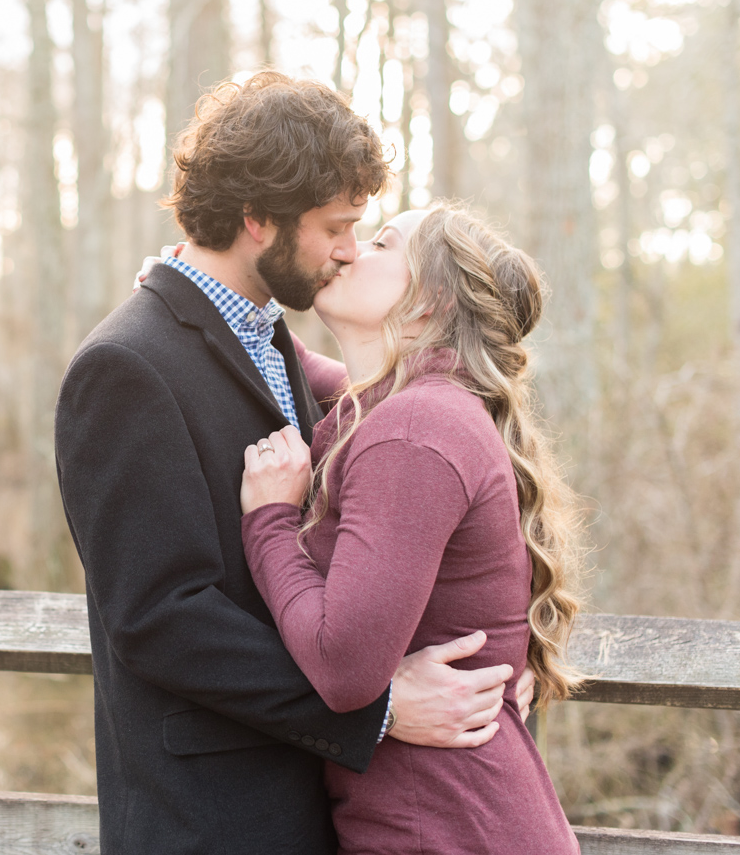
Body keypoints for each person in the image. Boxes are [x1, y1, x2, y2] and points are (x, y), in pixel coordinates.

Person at [54, 72, 530, 855]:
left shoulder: (271, 339)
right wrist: (375, 710)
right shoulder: (127, 367)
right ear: (258, 219)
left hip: (321, 805)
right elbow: (158, 616)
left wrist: (513, 644)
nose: (347, 250)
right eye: (337, 227)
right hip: (216, 819)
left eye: (364, 231)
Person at [240, 202, 585, 854]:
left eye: (379, 243)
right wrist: (223, 307)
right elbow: (342, 381)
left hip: (454, 832)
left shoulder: (415, 431)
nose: (347, 250)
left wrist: (270, 523)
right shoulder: (420, 406)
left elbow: (344, 668)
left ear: (428, 301)